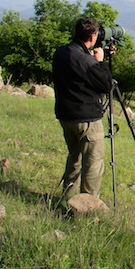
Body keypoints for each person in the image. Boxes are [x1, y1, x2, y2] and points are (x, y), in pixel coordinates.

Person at [53, 17, 112, 198]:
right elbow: (106, 84)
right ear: (93, 36)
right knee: (93, 163)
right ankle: (87, 206)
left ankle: (68, 197)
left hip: (66, 115)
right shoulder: (87, 61)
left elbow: (78, 75)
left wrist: (93, 58)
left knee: (74, 158)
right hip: (86, 119)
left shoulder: (61, 52)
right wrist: (100, 62)